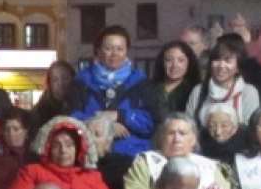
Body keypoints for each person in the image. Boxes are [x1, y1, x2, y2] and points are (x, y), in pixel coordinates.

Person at [68, 26, 156, 160]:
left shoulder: (141, 82)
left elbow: (150, 123)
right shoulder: (81, 82)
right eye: (108, 48)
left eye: (120, 49)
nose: (114, 54)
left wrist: (120, 115)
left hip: (132, 155)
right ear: (98, 51)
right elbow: (71, 119)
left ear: (126, 52)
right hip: (90, 154)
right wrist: (106, 126)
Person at [122, 112, 232, 189]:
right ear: (162, 138)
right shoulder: (146, 162)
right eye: (171, 133)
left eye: (182, 133)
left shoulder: (210, 166)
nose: (176, 139)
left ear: (193, 140)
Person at [186, 33, 261, 129]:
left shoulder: (248, 92)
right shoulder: (198, 91)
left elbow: (251, 129)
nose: (221, 65)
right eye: (217, 59)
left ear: (238, 66)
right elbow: (188, 127)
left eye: (227, 60)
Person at [226, 12, 261, 106]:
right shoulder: (227, 60)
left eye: (240, 26)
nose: (237, 30)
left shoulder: (260, 57)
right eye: (233, 26)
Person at [146, 40, 201, 126]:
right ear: (162, 62)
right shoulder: (147, 88)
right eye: (169, 60)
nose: (174, 65)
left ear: (189, 63)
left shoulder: (196, 91)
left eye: (181, 60)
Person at [29, 59, 78, 135]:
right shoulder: (40, 111)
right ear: (50, 83)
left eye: (65, 78)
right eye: (55, 80)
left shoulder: (81, 104)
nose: (61, 83)